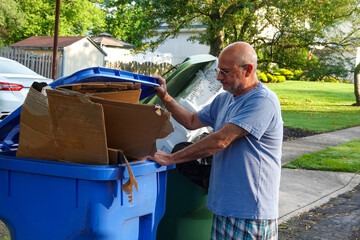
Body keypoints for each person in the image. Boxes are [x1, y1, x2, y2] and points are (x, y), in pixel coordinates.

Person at [147, 42, 283, 239]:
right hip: (223, 206)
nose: (219, 77)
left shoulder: (262, 101)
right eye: (219, 71)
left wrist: (171, 159)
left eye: (225, 72)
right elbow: (192, 121)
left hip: (250, 210)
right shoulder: (225, 99)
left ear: (248, 70)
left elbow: (220, 140)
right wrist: (165, 97)